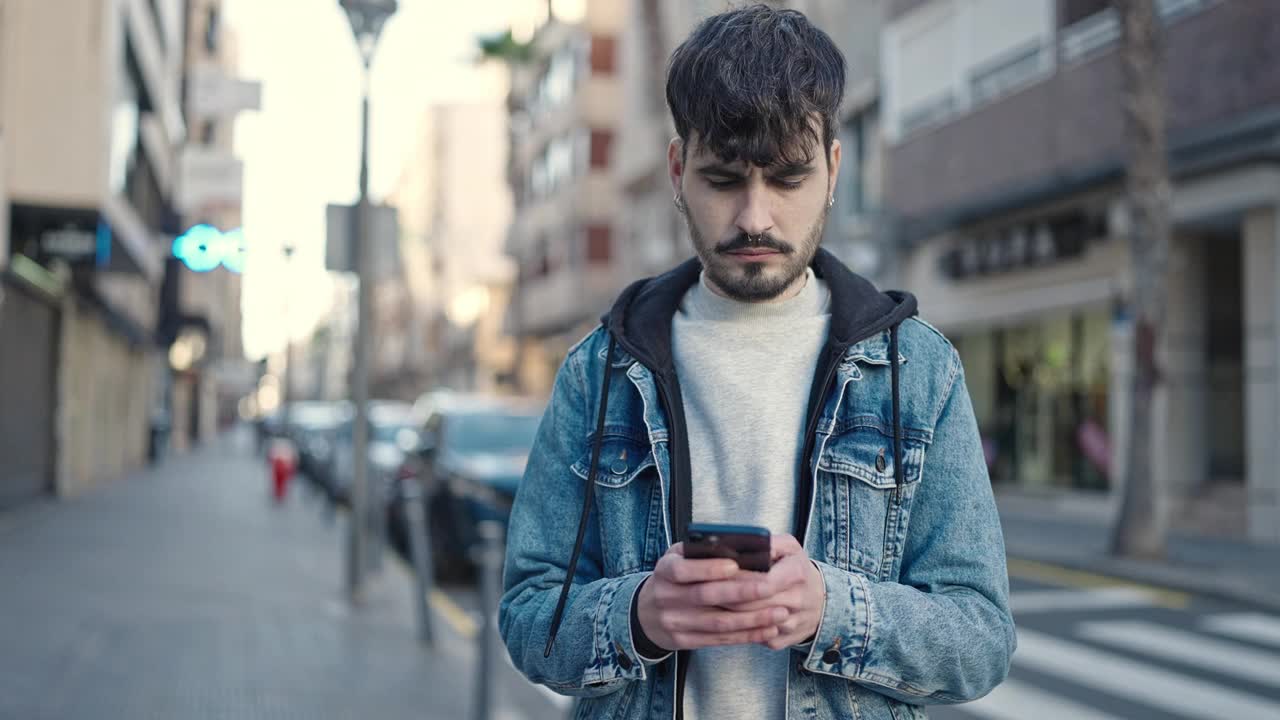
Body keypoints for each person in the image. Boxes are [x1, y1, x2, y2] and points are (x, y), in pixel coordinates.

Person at [499, 5, 1015, 719]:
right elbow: (528, 616)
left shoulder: (918, 370)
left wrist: (833, 609)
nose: (754, 218)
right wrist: (640, 615)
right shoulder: (600, 371)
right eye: (723, 180)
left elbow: (981, 638)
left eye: (788, 179)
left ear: (834, 169)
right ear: (678, 171)